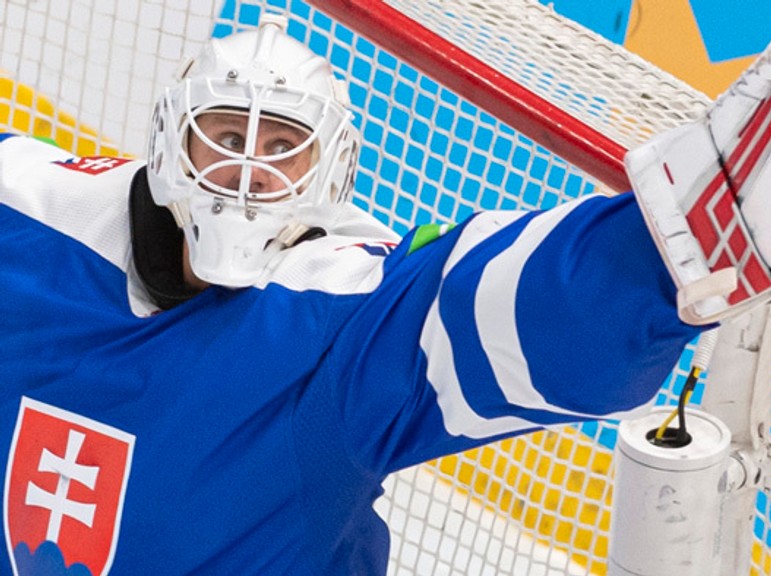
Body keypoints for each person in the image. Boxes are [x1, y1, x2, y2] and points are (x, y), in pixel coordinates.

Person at [0, 17, 698, 575]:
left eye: (281, 147)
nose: (248, 170)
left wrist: (683, 238)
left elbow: (536, 303)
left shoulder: (344, 314)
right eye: (228, 135)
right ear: (171, 144)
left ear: (327, 171)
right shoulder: (38, 216)